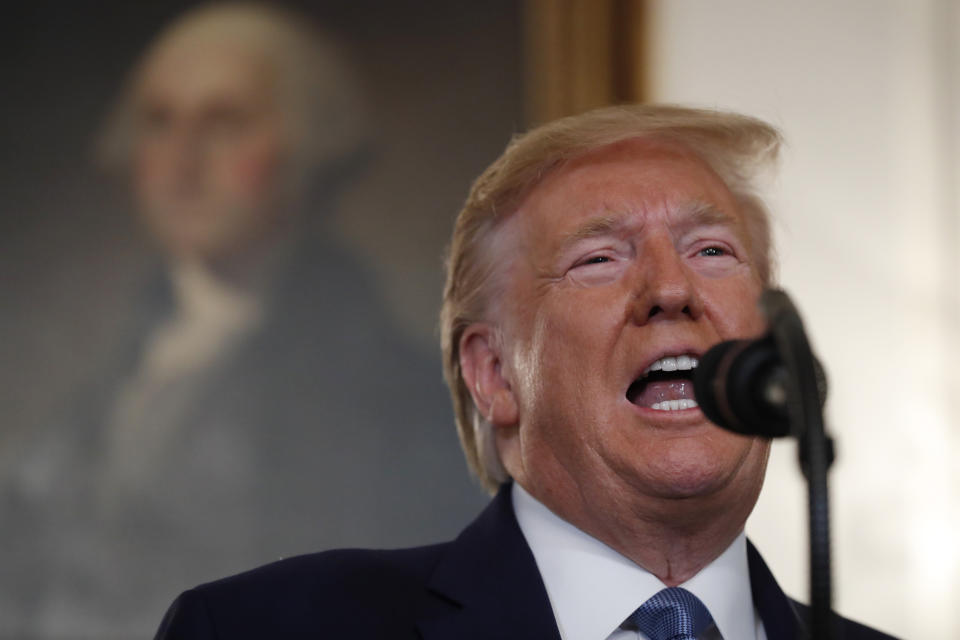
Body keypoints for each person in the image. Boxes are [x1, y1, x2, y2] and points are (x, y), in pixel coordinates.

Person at [155, 105, 897, 639]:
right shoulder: (264, 629)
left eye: (712, 251)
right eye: (600, 258)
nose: (672, 290)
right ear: (494, 374)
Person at [0, 4, 484, 637]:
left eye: (224, 123)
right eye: (158, 123)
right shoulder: (124, 366)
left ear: (306, 146)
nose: (182, 160)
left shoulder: (385, 394)